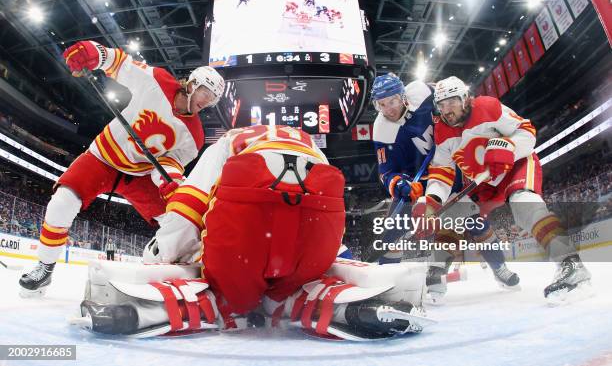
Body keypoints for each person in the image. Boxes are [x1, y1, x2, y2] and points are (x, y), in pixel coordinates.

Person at [75, 125, 431, 340]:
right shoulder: (310, 144)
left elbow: (188, 208)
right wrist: (337, 262)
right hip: (318, 223)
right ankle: (343, 308)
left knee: (232, 294)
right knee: (295, 285)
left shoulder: (227, 142)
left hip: (247, 220)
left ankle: (157, 310)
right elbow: (328, 214)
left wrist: (162, 256)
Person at [19, 40, 225, 297]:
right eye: (207, 93)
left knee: (179, 219)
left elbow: (169, 164)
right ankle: (45, 266)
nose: (209, 102)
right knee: (61, 203)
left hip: (139, 175)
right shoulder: (157, 80)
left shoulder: (194, 136)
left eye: (214, 99)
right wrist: (93, 52)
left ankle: (184, 271)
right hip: (102, 158)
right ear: (193, 84)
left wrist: (171, 183)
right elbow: (120, 63)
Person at [414, 76, 591, 302]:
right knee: (451, 217)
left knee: (525, 205)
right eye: (442, 105)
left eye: (452, 102)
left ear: (465, 98)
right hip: (482, 181)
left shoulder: (488, 106)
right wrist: (432, 201)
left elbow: (527, 131)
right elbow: (442, 170)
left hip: (516, 165)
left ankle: (571, 265)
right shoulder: (442, 130)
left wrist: (509, 147)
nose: (447, 110)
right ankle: (435, 274)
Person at [369, 73, 519, 300]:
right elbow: (386, 171)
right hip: (417, 185)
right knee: (393, 230)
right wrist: (398, 184)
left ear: (403, 96)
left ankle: (499, 268)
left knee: (475, 222)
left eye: (393, 101)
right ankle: (383, 286)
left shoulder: (420, 91)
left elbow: (451, 101)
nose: (388, 108)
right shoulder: (381, 129)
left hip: (450, 170)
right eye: (382, 104)